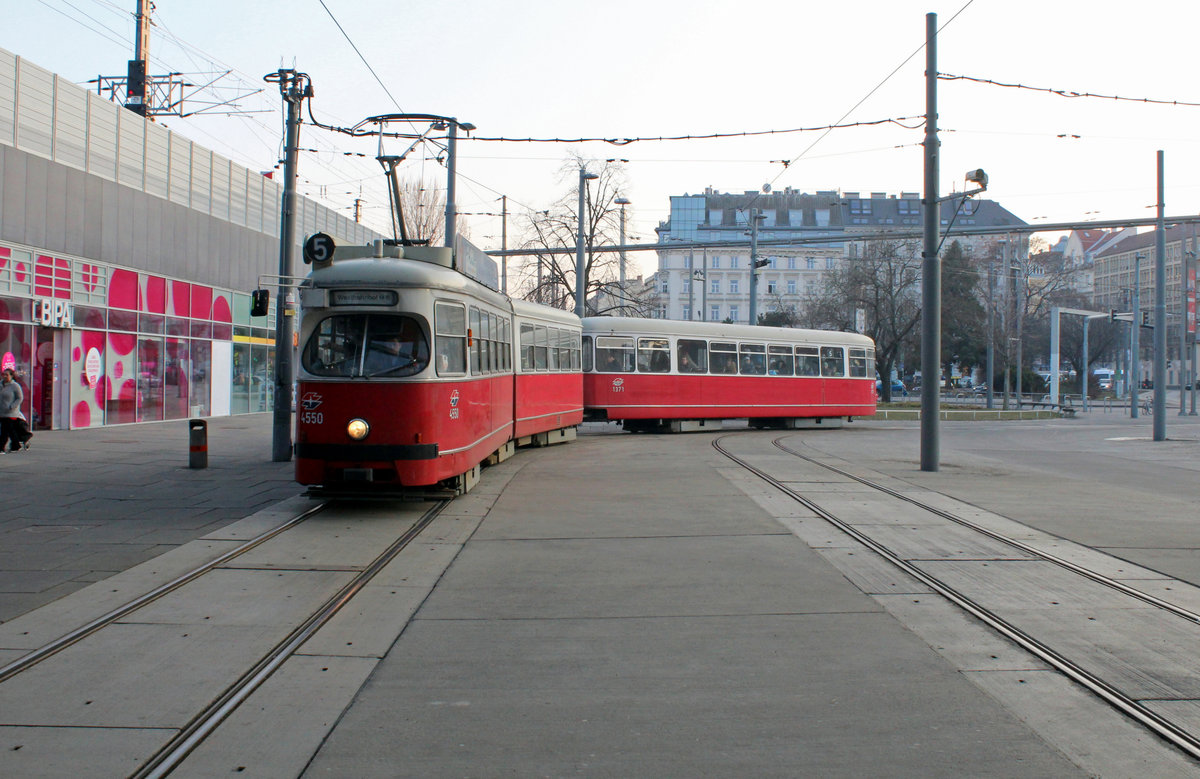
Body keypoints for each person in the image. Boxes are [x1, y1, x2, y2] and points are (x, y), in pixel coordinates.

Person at [0, 368, 31, 453]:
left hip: (11, 412)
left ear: (11, 376)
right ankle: (16, 445)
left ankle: (1, 447)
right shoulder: (1, 385)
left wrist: (12, 406)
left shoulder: (15, 386)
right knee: (10, 430)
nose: (5, 376)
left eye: (7, 375)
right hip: (2, 411)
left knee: (4, 430)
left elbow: (19, 398)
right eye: (3, 374)